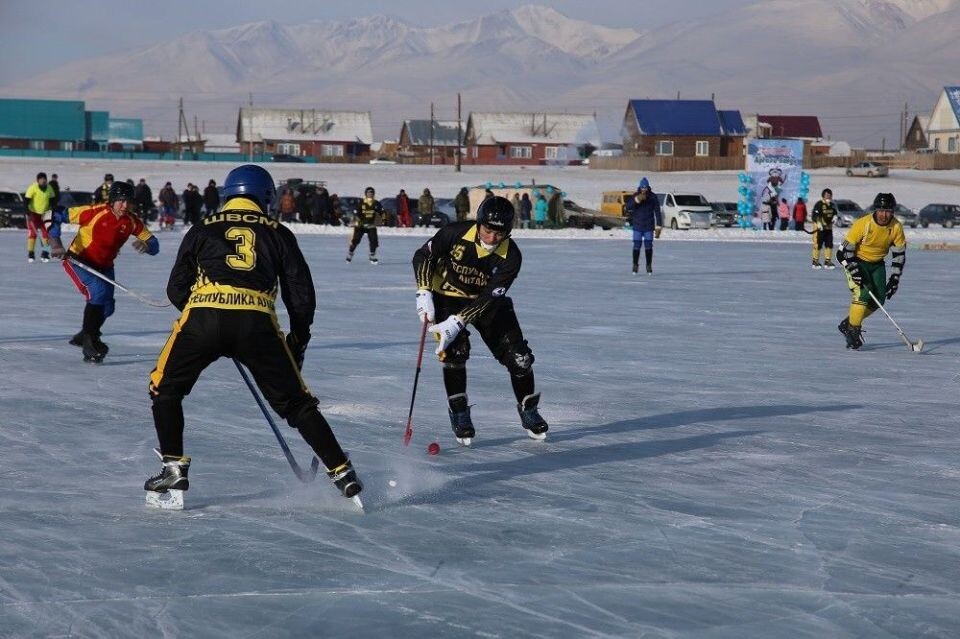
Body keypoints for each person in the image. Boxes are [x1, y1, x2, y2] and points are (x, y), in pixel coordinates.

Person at [144, 164, 362, 509]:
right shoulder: (278, 232)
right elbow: (301, 296)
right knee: (297, 404)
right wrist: (297, 340)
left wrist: (209, 323)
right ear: (266, 197)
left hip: (202, 320)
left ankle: (173, 467)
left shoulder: (202, 228)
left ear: (229, 193)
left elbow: (176, 288)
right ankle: (343, 472)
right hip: (256, 325)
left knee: (165, 388)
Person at [412, 195, 548, 446]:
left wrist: (459, 321)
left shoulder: (511, 257)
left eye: (500, 233)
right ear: (479, 223)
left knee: (520, 359)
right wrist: (423, 291)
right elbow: (423, 256)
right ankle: (459, 412)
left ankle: (528, 409)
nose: (492, 238)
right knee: (454, 353)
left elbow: (490, 297)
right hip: (447, 297)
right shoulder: (454, 233)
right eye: (487, 230)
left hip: (487, 304)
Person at [46, 181, 159, 362]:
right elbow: (52, 213)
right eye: (121, 201)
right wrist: (55, 243)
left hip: (105, 267)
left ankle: (85, 333)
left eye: (128, 201)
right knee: (98, 292)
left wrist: (147, 245)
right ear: (112, 200)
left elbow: (155, 244)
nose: (125, 206)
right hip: (78, 261)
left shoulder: (131, 221)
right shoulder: (95, 212)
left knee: (107, 307)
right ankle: (90, 343)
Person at [836, 193, 906, 350]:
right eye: (881, 210)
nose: (884, 214)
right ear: (875, 210)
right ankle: (853, 331)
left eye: (888, 211)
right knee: (863, 294)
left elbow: (899, 254)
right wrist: (854, 270)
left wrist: (894, 278)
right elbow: (842, 253)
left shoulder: (896, 227)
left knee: (879, 299)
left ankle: (849, 322)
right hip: (857, 261)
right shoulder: (863, 224)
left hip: (878, 264)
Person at [624, 177, 663, 275]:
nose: (644, 189)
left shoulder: (653, 197)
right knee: (637, 245)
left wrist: (659, 225)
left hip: (648, 226)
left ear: (648, 187)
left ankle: (648, 265)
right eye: (642, 187)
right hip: (637, 225)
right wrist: (637, 200)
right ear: (640, 187)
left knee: (648, 245)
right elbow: (628, 207)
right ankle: (635, 265)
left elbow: (657, 211)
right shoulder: (635, 196)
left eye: (645, 187)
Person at [24, 172, 55, 262]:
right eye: (41, 179)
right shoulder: (33, 188)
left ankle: (45, 253)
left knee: (46, 234)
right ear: (38, 180)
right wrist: (27, 212)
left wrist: (53, 210)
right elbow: (26, 201)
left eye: (44, 179)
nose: (43, 181)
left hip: (45, 214)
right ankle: (31, 253)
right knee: (32, 234)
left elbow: (53, 201)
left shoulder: (49, 188)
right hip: (33, 214)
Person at [347, 186, 383, 263]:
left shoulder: (376, 203)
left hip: (371, 225)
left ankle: (372, 255)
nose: (370, 194)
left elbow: (381, 214)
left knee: (374, 241)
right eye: (369, 193)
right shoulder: (361, 203)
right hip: (361, 225)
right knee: (355, 240)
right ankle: (350, 253)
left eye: (372, 193)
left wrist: (381, 220)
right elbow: (356, 213)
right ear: (366, 194)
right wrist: (357, 221)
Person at [811, 188, 839, 269]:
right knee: (818, 244)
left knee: (829, 244)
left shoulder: (832, 205)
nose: (828, 198)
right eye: (827, 196)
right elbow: (814, 215)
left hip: (828, 228)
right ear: (823, 196)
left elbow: (835, 213)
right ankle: (815, 261)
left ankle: (828, 261)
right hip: (819, 229)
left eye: (830, 196)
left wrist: (835, 217)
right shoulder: (819, 204)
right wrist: (818, 223)